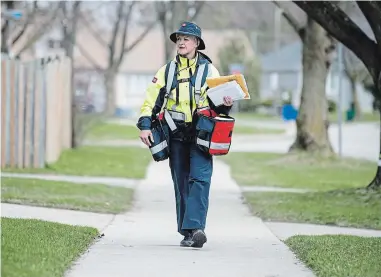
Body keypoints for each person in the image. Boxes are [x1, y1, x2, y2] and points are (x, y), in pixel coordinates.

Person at [136, 21, 234, 248]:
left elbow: (218, 104)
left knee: (200, 180)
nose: (181, 42)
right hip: (176, 136)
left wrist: (226, 105)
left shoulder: (210, 71)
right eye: (178, 38)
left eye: (186, 38)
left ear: (197, 43)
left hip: (201, 135)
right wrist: (144, 125)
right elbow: (151, 101)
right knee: (181, 183)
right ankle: (187, 232)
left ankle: (197, 228)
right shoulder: (166, 71)